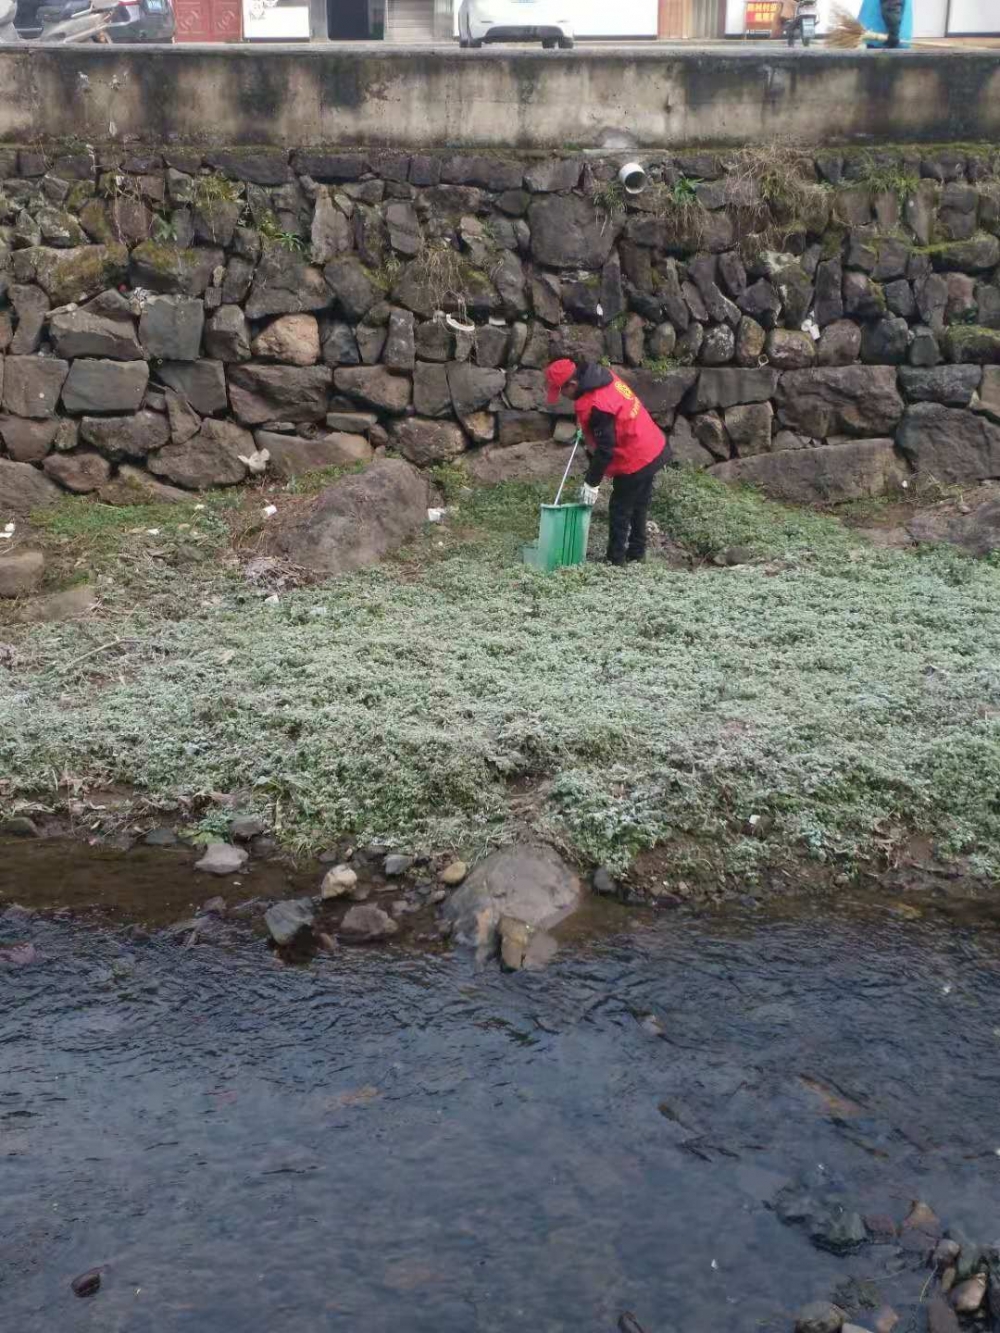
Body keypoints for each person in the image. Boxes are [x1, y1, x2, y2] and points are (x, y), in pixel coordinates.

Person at [545, 358, 671, 567]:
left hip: (636, 454)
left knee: (620, 508)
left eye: (561, 391)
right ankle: (637, 553)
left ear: (573, 385)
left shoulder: (596, 405)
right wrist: (587, 429)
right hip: (652, 443)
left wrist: (591, 484)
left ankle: (615, 561)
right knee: (640, 503)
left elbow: (605, 449)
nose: (562, 397)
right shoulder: (600, 377)